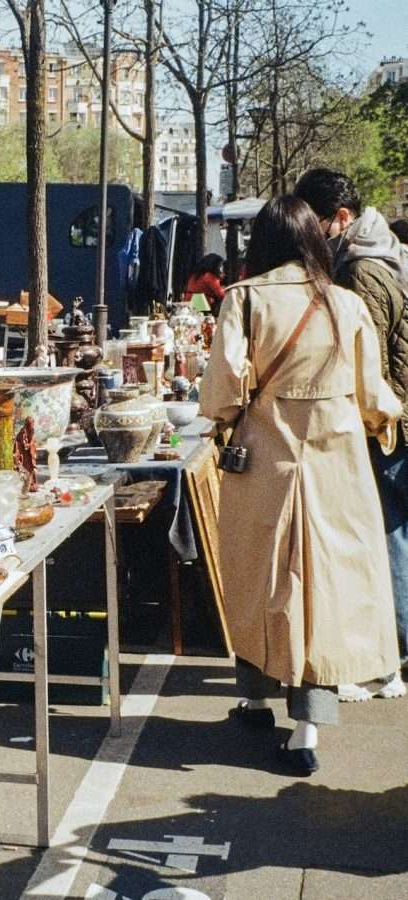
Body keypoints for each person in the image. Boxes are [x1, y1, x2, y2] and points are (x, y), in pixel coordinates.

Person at [200, 195, 401, 775]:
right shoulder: (345, 304)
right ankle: (307, 729)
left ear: (262, 242)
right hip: (338, 470)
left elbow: (223, 391)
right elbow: (373, 397)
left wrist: (229, 417)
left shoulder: (244, 300)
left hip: (266, 464)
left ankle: (254, 697)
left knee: (259, 579)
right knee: (326, 595)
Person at [294, 168, 408, 701]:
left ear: (340, 219)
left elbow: (367, 364)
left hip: (389, 427)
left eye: (315, 224)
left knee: (386, 535)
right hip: (395, 419)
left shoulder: (361, 271)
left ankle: (391, 650)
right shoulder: (381, 253)